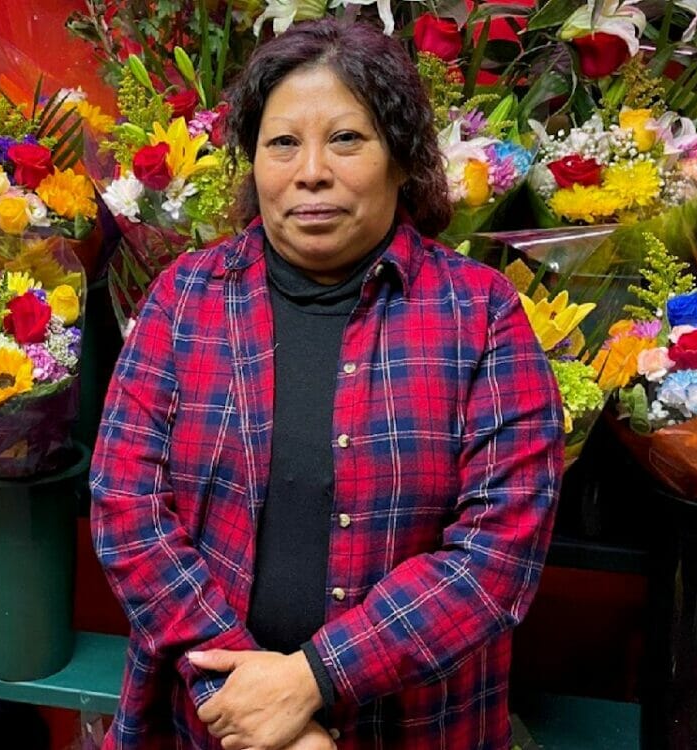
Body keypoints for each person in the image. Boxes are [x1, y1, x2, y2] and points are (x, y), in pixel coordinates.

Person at [90, 17, 564, 750]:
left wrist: (311, 680)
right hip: (214, 724)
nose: (311, 170)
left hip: (415, 726)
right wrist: (248, 700)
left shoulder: (482, 314)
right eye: (283, 143)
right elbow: (127, 510)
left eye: (346, 139)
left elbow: (497, 553)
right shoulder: (186, 298)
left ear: (402, 160)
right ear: (252, 162)